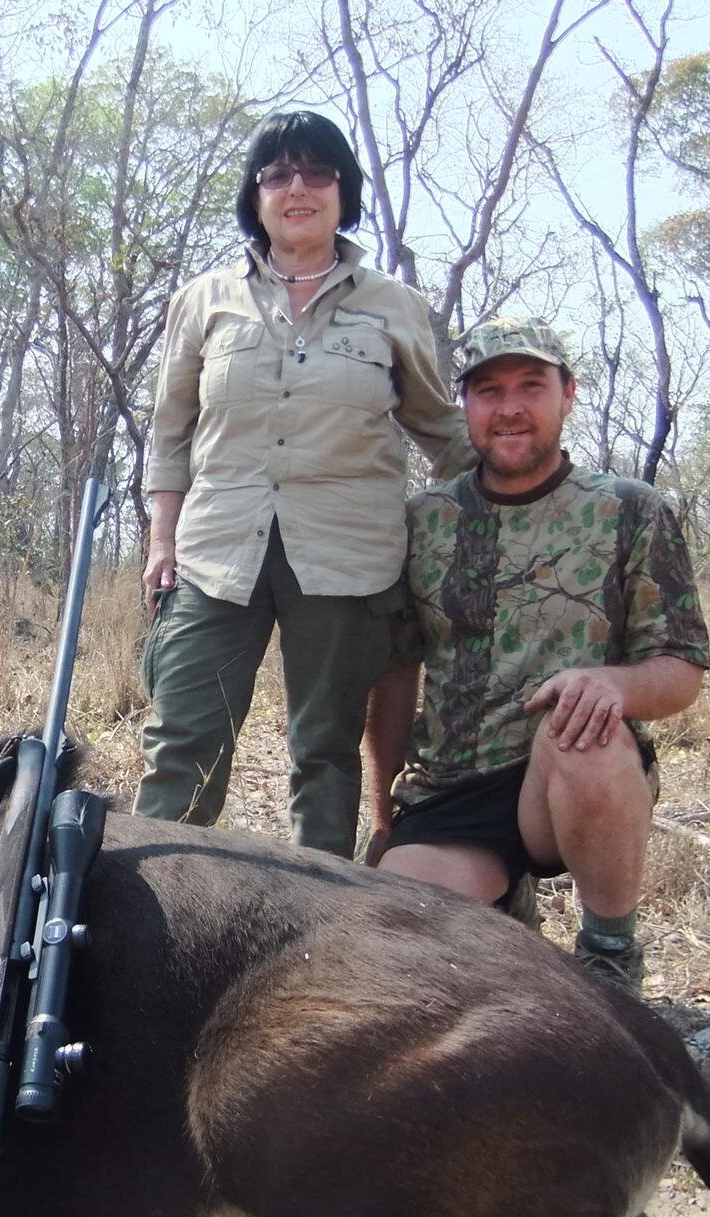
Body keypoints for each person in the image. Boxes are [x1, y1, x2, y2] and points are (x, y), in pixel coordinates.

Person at [135, 110, 475, 858]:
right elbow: (171, 434)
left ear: (343, 191)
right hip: (217, 552)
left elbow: (440, 427)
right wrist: (162, 539)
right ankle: (152, 908)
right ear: (255, 196)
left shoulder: (393, 304)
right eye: (278, 173)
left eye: (317, 172)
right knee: (182, 738)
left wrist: (534, 480)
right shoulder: (204, 299)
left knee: (324, 749)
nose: (299, 188)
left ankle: (319, 915)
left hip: (347, 556)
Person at [364, 317, 710, 992]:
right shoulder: (424, 520)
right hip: (454, 789)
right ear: (465, 406)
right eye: (489, 391)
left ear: (568, 395)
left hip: (577, 779)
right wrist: (382, 818)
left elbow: (682, 668)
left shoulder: (629, 510)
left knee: (582, 723)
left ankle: (609, 955)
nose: (511, 408)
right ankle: (505, 905)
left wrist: (613, 685)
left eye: (531, 386)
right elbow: (396, 673)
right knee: (396, 957)